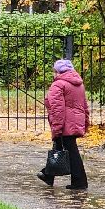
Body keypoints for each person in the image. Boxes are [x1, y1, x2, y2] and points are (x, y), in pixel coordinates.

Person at [41, 58, 89, 190]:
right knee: (61, 148)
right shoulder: (79, 84)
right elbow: (84, 106)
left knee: (70, 151)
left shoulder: (58, 85)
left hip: (64, 123)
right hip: (75, 122)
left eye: (54, 71)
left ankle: (80, 182)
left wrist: (56, 128)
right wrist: (86, 122)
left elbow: (57, 109)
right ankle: (48, 175)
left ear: (57, 71)